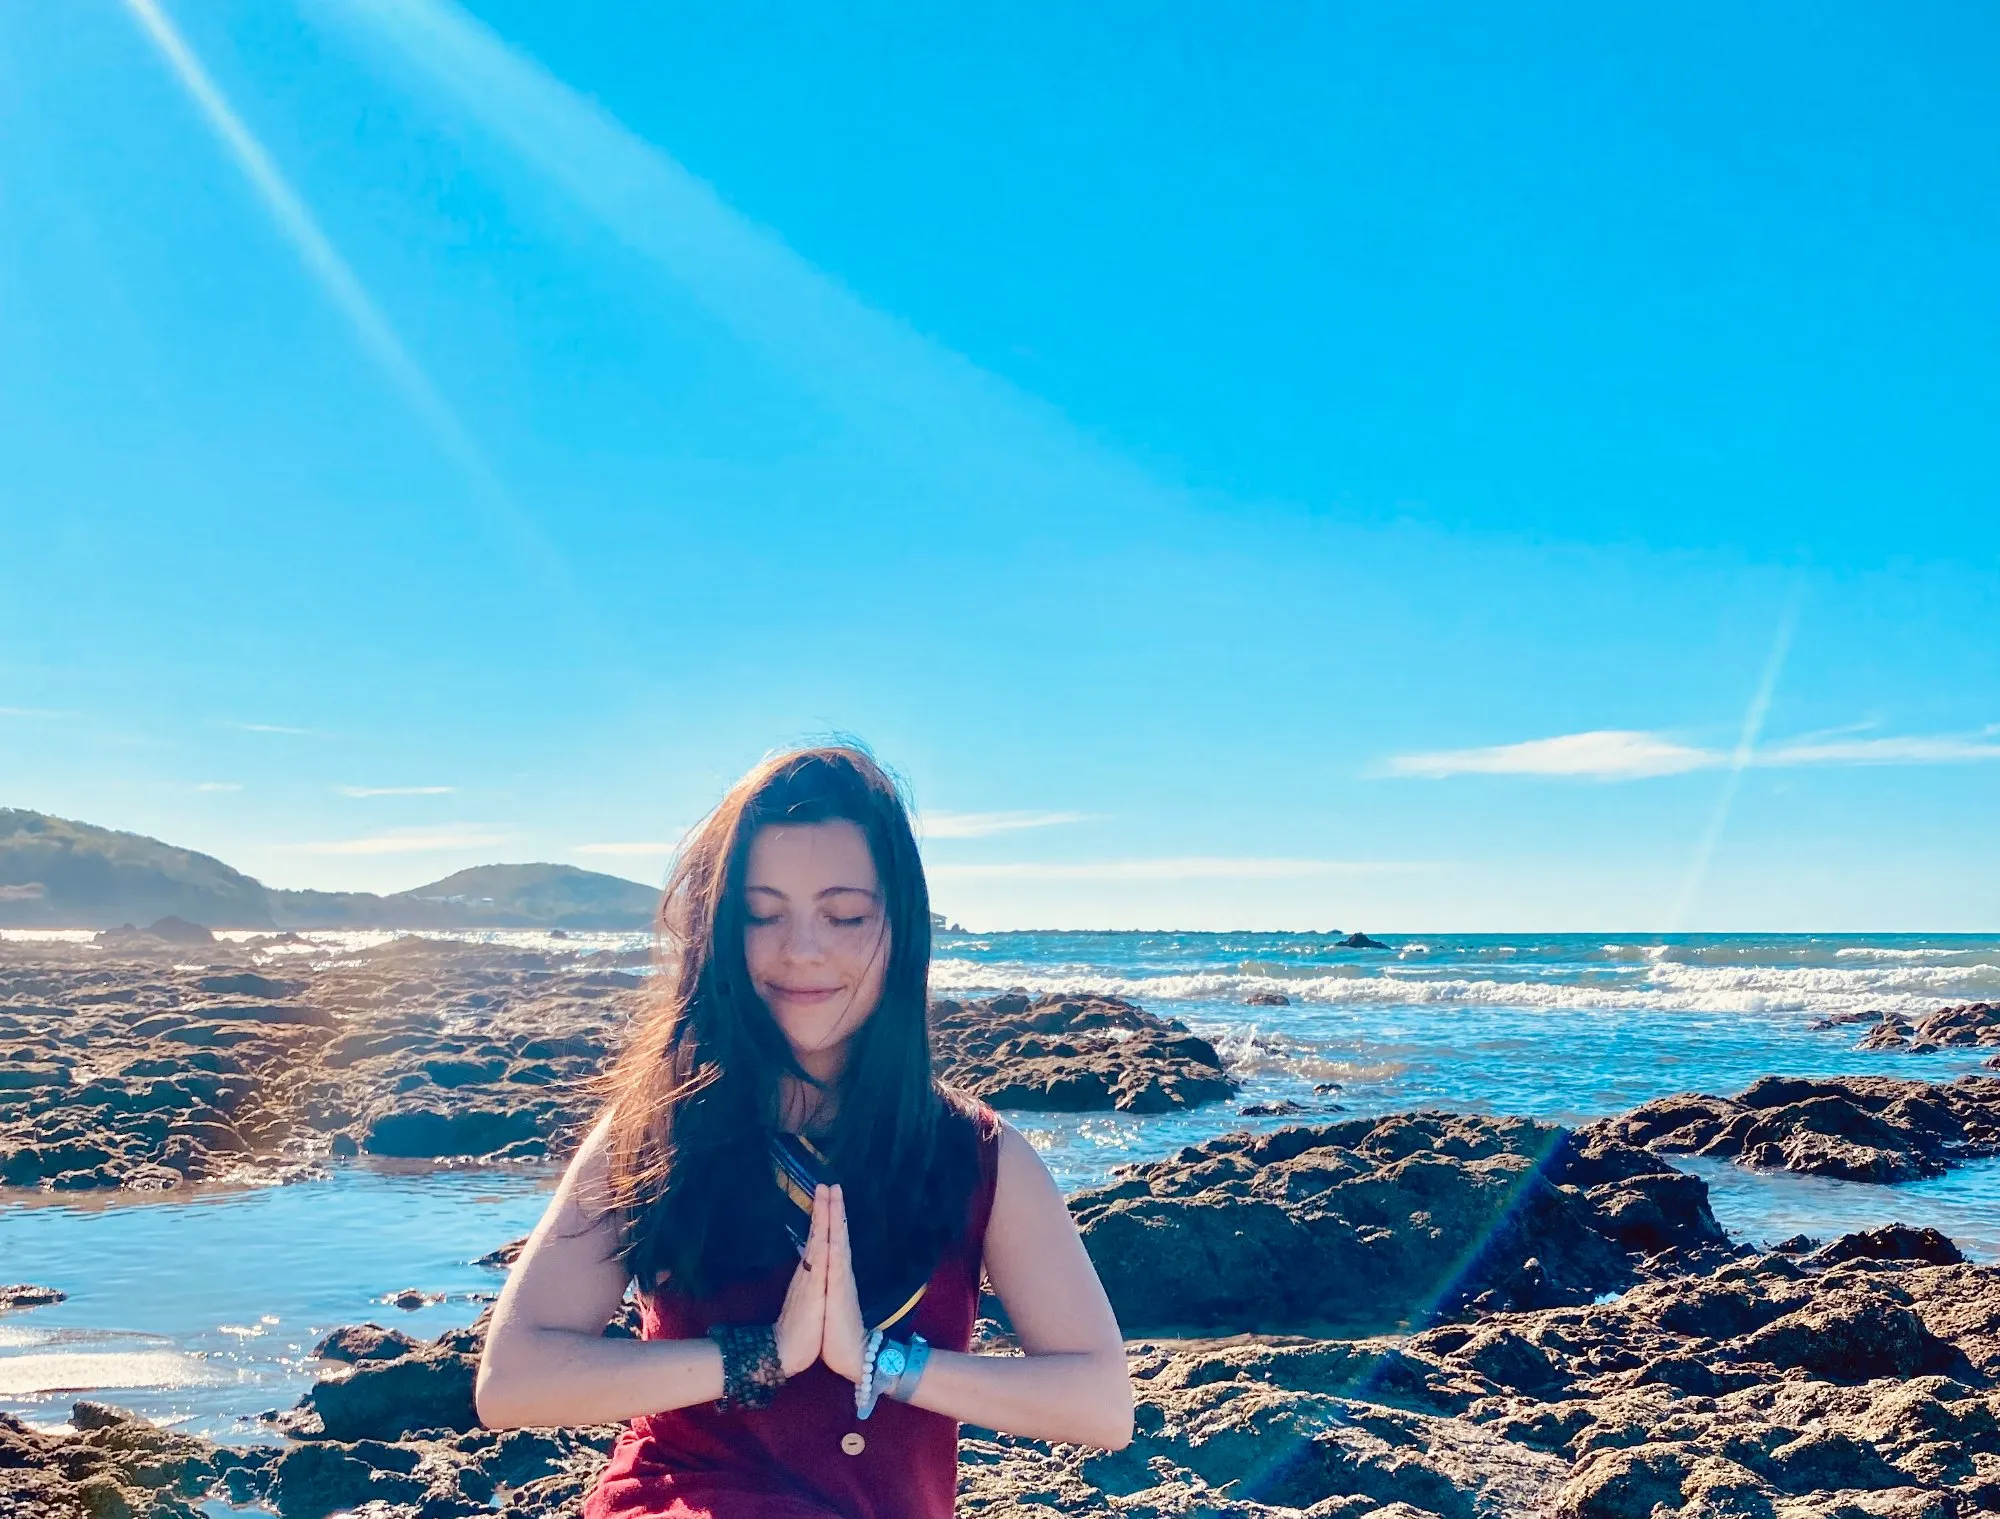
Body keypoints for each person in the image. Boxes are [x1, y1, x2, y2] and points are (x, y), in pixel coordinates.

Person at [474, 746, 1134, 1519]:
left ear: (900, 927)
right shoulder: (657, 1125)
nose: (802, 949)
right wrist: (762, 1355)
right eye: (763, 913)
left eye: (845, 914)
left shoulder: (975, 1155)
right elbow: (512, 1380)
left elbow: (1100, 1402)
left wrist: (877, 1361)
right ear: (722, 929)